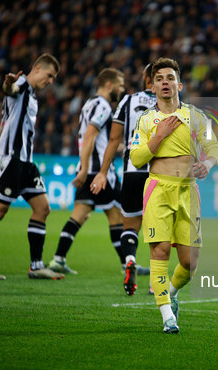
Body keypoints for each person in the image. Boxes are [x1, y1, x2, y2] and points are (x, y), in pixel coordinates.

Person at [129, 57, 218, 333]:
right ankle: (167, 316)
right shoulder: (146, 120)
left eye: (169, 78)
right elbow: (136, 158)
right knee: (160, 250)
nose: (165, 82)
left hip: (188, 191)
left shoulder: (196, 117)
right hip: (158, 188)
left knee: (190, 262)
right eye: (159, 79)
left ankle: (171, 292)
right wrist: (158, 136)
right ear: (153, 87)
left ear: (179, 84)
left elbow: (214, 148)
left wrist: (207, 163)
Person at [0, 53, 63, 280]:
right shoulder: (21, 83)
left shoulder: (32, 96)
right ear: (38, 68)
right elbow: (10, 90)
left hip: (26, 161)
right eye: (49, 75)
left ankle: (36, 265)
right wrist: (8, 83)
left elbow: (5, 118)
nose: (50, 81)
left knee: (43, 208)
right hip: (10, 159)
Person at [48, 68, 126, 275]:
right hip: (100, 172)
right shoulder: (103, 106)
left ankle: (58, 259)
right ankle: (127, 264)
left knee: (79, 216)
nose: (122, 88)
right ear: (109, 85)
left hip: (87, 168)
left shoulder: (88, 104)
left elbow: (91, 137)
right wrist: (85, 168)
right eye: (120, 84)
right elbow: (91, 135)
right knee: (117, 217)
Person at [91, 64, 157, 294]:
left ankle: (129, 258)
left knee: (130, 225)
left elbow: (113, 140)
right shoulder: (170, 102)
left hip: (132, 171)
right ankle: (154, 282)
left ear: (147, 79)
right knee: (158, 228)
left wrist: (102, 172)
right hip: (159, 172)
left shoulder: (128, 102)